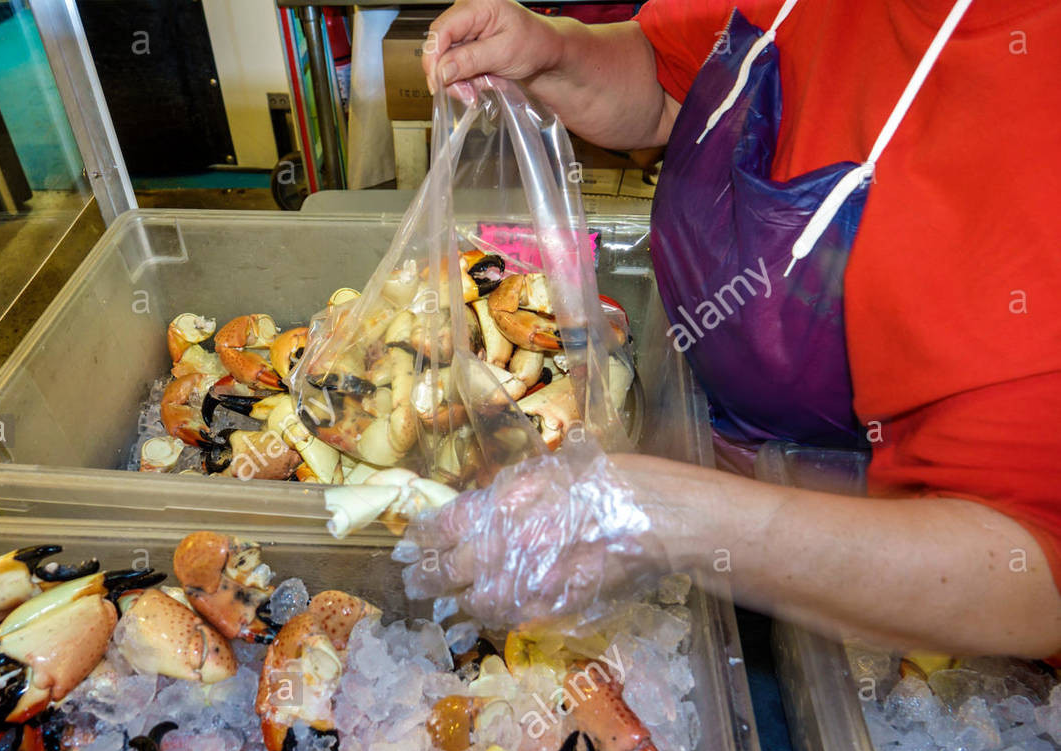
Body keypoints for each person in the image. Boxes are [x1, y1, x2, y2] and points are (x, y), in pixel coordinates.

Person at [407, 0, 1061, 659]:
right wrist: (560, 54)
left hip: (879, 622)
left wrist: (664, 516)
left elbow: (1033, 577)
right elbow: (677, 83)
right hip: (700, 477)